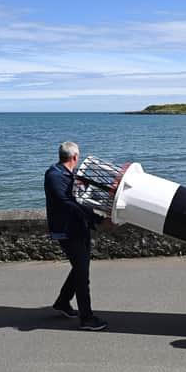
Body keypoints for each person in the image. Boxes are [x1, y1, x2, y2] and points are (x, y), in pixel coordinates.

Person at [44, 141, 113, 331]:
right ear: (75, 157)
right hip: (67, 231)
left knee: (79, 268)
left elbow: (81, 201)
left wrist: (94, 219)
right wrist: (99, 221)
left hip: (79, 228)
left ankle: (62, 303)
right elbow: (69, 203)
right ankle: (87, 318)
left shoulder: (67, 174)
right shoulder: (55, 176)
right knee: (82, 274)